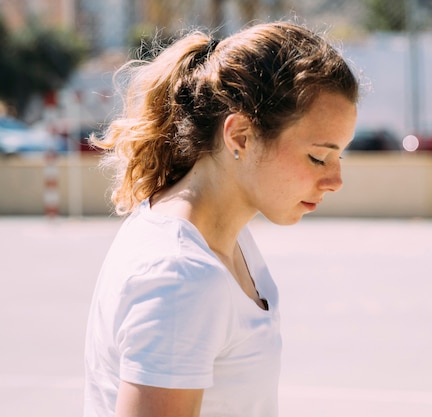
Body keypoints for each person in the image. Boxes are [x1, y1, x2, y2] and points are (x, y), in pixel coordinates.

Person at [83, 21, 359, 417]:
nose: (335, 180)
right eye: (318, 157)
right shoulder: (182, 276)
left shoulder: (222, 237)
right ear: (241, 136)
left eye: (340, 155)